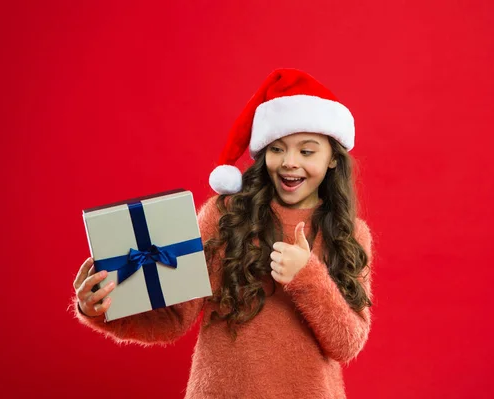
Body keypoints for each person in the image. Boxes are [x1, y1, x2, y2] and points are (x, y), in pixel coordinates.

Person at [71, 68, 375, 399]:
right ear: (262, 154)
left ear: (333, 158)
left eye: (307, 151)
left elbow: (347, 344)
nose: (289, 162)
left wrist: (306, 276)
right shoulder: (223, 216)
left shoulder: (351, 235)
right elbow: (173, 319)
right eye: (277, 149)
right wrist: (100, 308)